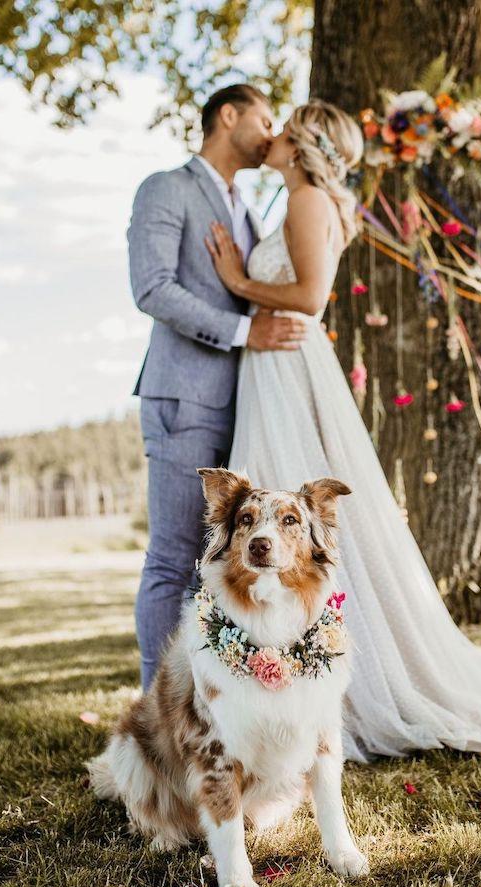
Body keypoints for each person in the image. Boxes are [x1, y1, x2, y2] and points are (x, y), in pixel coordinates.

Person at [206, 98, 481, 762]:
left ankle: (325, 689)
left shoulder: (307, 203)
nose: (269, 135)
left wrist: (237, 279)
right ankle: (272, 686)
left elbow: (309, 298)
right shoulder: (301, 200)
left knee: (288, 510)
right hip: (274, 365)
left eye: (281, 126)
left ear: (299, 143)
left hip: (287, 365)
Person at [128, 84, 308, 691]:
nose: (270, 132)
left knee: (221, 563)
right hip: (186, 400)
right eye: (263, 119)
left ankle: (213, 698)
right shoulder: (166, 188)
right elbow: (151, 287)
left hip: (249, 405)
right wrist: (243, 331)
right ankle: (159, 712)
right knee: (174, 558)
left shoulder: (249, 211)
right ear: (227, 116)